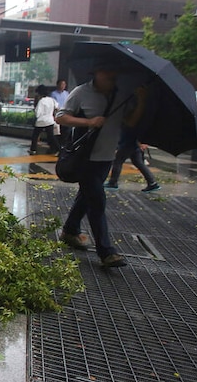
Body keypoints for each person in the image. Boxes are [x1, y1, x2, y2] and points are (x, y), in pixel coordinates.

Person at [55, 65, 147, 269]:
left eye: (113, 73)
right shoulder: (81, 92)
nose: (111, 75)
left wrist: (140, 101)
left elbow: (130, 122)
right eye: (106, 72)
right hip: (85, 158)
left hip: (106, 157)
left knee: (87, 196)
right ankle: (106, 251)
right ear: (95, 73)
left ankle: (70, 230)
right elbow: (61, 117)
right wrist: (89, 121)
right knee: (97, 200)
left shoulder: (122, 94)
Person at [104, 128, 161, 192]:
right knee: (138, 163)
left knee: (118, 161)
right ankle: (152, 182)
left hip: (128, 143)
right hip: (134, 144)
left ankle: (113, 182)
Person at [29, 85, 60, 155]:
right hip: (50, 120)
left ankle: (33, 149)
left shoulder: (41, 101)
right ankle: (58, 149)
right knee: (51, 136)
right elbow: (57, 108)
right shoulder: (52, 100)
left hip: (41, 121)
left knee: (35, 135)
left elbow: (37, 113)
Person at [51, 79, 71, 145]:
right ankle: (58, 145)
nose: (63, 86)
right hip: (58, 114)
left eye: (64, 84)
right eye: (61, 84)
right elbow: (53, 105)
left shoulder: (66, 93)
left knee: (66, 131)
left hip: (65, 114)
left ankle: (64, 145)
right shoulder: (53, 94)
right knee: (58, 132)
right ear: (58, 85)